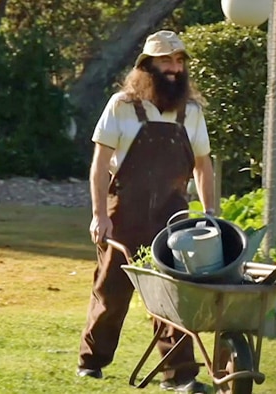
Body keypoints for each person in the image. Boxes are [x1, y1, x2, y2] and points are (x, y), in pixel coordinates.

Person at [76, 30, 215, 394]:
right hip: (123, 215)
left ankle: (180, 375)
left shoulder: (191, 112)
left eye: (179, 61)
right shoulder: (121, 106)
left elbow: (203, 166)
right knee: (111, 292)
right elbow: (99, 164)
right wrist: (99, 215)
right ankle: (91, 362)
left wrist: (211, 211)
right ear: (147, 66)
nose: (174, 68)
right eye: (166, 61)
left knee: (173, 295)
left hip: (172, 219)